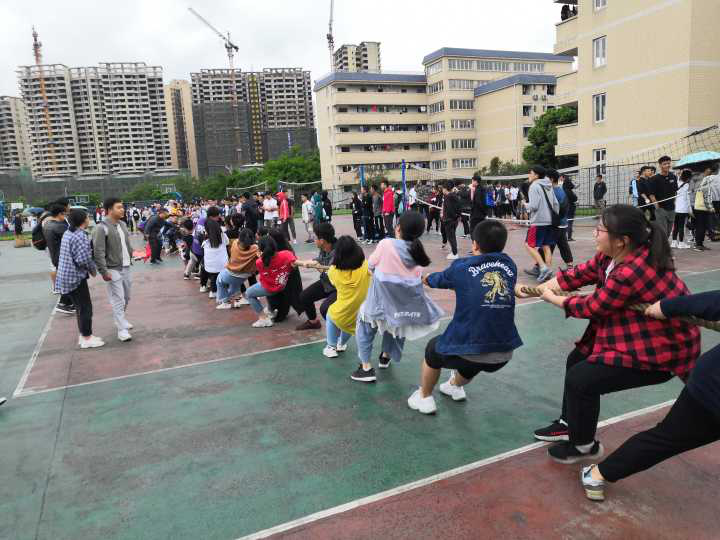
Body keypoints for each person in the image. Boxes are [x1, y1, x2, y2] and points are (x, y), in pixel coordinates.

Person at [525, 204, 700, 464]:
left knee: (581, 379)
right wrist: (537, 290)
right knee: (577, 360)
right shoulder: (610, 257)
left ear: (621, 240)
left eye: (600, 230)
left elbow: (593, 306)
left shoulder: (633, 269)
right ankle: (570, 422)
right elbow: (577, 275)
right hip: (637, 330)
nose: (594, 233)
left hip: (661, 349)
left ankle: (583, 446)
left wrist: (552, 298)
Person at [581, 289, 720, 501]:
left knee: (666, 438)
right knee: (666, 438)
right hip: (711, 391)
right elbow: (713, 302)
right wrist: (666, 307)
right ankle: (598, 473)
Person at [409, 220, 522, 414]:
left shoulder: (461, 267)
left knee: (432, 351)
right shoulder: (509, 266)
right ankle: (454, 386)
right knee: (472, 363)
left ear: (475, 244)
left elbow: (439, 279)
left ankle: (424, 398)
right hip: (504, 353)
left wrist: (425, 279)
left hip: (471, 350)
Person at [352, 211, 443, 382]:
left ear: (398, 228)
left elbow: (370, 265)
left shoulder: (386, 244)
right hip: (401, 308)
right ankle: (386, 356)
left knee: (364, 328)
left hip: (378, 304)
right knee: (396, 328)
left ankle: (366, 368)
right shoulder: (418, 251)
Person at [55, 209, 104, 349]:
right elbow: (83, 259)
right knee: (85, 307)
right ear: (83, 220)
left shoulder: (68, 232)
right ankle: (87, 338)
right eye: (87, 217)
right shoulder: (80, 235)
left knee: (80, 307)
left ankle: (84, 335)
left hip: (65, 276)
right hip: (74, 278)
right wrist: (93, 270)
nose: (89, 219)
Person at [322, 236, 372, 358]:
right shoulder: (365, 265)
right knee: (352, 323)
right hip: (362, 309)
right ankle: (341, 343)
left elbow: (333, 282)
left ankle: (331, 346)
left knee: (331, 314)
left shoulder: (333, 271)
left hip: (344, 309)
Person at [92, 197, 134, 343]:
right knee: (118, 298)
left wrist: (132, 254)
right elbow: (98, 251)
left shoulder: (123, 224)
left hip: (126, 265)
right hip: (112, 268)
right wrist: (104, 271)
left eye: (123, 207)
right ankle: (121, 330)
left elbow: (126, 244)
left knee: (126, 297)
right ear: (109, 210)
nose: (122, 210)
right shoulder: (101, 228)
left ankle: (120, 319)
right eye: (119, 207)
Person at [245, 236, 297, 328]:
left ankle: (263, 318)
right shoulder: (286, 254)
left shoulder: (260, 262)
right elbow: (295, 263)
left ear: (261, 249)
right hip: (282, 285)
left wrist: (260, 257)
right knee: (261, 286)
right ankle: (270, 310)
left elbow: (264, 278)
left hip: (269, 288)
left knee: (249, 293)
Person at [294, 223, 337, 330]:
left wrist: (318, 266)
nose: (314, 240)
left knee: (325, 309)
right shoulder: (324, 248)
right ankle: (313, 322)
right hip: (327, 283)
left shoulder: (338, 252)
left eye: (315, 237)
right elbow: (319, 260)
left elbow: (332, 275)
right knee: (304, 296)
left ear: (322, 240)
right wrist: (299, 262)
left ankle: (338, 331)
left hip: (339, 287)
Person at [524, 165, 559, 283]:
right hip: (549, 221)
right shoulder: (548, 185)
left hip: (538, 221)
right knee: (546, 246)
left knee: (529, 245)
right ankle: (548, 270)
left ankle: (543, 268)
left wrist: (525, 205)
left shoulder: (534, 186)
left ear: (536, 175)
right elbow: (556, 204)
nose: (529, 175)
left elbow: (534, 206)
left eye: (531, 172)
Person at [43, 202, 75, 315]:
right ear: (60, 214)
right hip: (62, 257)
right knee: (68, 281)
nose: (65, 216)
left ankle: (68, 303)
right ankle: (64, 303)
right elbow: (72, 236)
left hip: (55, 256)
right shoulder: (59, 226)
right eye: (65, 214)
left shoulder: (47, 225)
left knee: (65, 279)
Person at [215, 228, 259, 309]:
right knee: (234, 284)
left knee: (219, 281)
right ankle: (236, 299)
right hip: (245, 275)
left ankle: (225, 301)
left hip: (232, 272)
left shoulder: (235, 243)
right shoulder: (256, 249)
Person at [647, 156, 678, 237]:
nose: (667, 165)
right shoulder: (654, 179)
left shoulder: (673, 176)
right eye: (665, 164)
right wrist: (657, 207)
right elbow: (651, 195)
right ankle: (660, 244)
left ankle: (661, 243)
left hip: (672, 208)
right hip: (661, 209)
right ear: (660, 165)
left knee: (668, 232)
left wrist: (675, 202)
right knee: (663, 232)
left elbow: (675, 191)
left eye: (668, 163)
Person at [549, 169, 574, 270]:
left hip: (556, 223)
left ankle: (540, 267)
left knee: (547, 245)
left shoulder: (553, 192)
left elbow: (555, 208)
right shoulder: (560, 190)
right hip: (562, 223)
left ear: (551, 179)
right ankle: (570, 265)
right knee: (563, 244)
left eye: (546, 178)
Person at [692, 162, 718, 251]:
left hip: (700, 206)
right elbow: (706, 195)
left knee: (703, 226)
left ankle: (700, 244)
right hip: (701, 206)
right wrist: (711, 208)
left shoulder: (701, 178)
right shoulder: (704, 179)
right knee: (701, 226)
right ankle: (698, 245)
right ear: (706, 170)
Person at [201, 217, 229, 299]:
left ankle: (213, 291)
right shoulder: (223, 236)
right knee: (222, 277)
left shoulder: (206, 240)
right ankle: (223, 290)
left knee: (213, 277)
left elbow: (203, 248)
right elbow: (227, 242)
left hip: (210, 266)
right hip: (222, 264)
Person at [671, 169, 692, 249]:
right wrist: (690, 209)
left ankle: (673, 242)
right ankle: (681, 243)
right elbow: (687, 198)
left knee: (675, 226)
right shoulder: (686, 185)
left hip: (676, 207)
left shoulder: (677, 182)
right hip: (683, 208)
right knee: (681, 226)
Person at [441, 181, 461, 260]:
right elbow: (459, 207)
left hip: (449, 220)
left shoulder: (448, 197)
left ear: (445, 188)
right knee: (452, 236)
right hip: (454, 220)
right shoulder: (455, 195)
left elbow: (449, 209)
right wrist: (457, 216)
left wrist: (451, 217)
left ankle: (455, 253)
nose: (442, 190)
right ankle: (454, 252)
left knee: (451, 237)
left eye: (443, 188)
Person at [562, 175, 578, 241]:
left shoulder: (563, 189)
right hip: (570, 207)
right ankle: (569, 237)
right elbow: (575, 198)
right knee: (570, 222)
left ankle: (564, 237)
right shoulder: (569, 191)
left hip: (564, 208)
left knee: (565, 222)